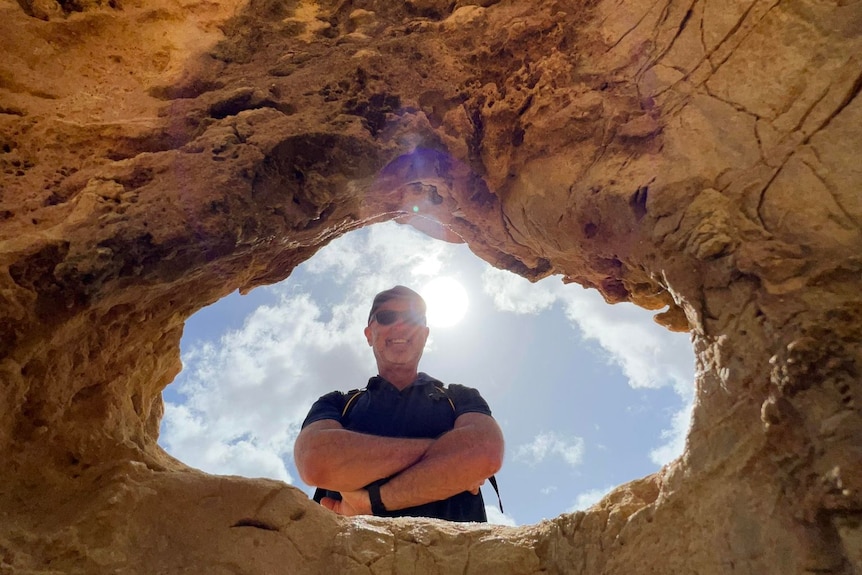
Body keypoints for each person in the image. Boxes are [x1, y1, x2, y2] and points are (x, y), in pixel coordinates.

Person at [294, 285, 504, 522]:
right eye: (386, 317)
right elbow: (315, 460)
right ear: (368, 334)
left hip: (453, 556)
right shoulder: (337, 404)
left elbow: (485, 451)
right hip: (350, 556)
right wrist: (449, 455)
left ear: (424, 335)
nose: (401, 326)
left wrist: (371, 502)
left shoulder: (460, 398)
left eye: (412, 318)